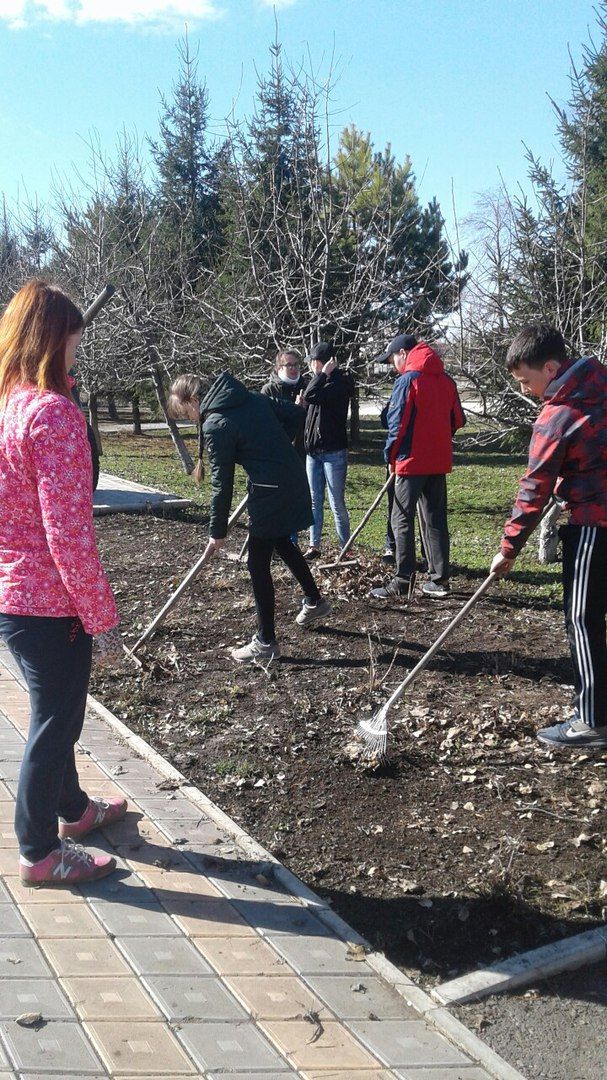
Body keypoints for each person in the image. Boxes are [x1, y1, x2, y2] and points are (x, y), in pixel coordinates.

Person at [0, 280, 125, 886]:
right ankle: (38, 851)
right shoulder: (53, 415)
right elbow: (68, 534)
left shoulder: (9, 406)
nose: (78, 353)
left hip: (14, 596)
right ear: (54, 340)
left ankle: (72, 810)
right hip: (49, 602)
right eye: (74, 342)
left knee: (59, 714)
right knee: (55, 722)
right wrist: (102, 616)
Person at [490, 324, 607, 749]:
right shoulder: (601, 385)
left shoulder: (558, 415)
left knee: (583, 617)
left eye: (526, 380)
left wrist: (509, 548)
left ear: (552, 367)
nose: (524, 390)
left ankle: (592, 721)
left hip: (594, 521)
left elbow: (533, 488)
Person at [168, 371, 331, 663]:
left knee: (257, 563)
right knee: (282, 542)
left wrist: (216, 531)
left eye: (186, 411)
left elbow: (222, 484)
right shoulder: (253, 398)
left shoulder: (217, 424)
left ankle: (266, 641)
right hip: (290, 478)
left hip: (271, 490)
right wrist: (277, 450)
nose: (190, 417)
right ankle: (314, 600)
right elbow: (296, 414)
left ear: (194, 399)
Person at [371, 333, 465, 600]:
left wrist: (390, 457)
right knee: (434, 518)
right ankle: (439, 580)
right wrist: (437, 439)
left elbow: (397, 425)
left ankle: (403, 580)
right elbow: (458, 419)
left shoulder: (408, 381)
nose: (393, 366)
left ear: (403, 353)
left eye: (392, 361)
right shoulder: (447, 380)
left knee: (401, 518)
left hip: (411, 462)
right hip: (438, 460)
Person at [301, 341, 354, 560]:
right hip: (313, 452)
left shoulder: (340, 382)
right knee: (314, 500)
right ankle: (314, 545)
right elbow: (309, 399)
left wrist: (322, 374)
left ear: (324, 363)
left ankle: (346, 547)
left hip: (334, 452)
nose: (311, 366)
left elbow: (311, 394)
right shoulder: (318, 381)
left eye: (314, 362)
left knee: (336, 502)